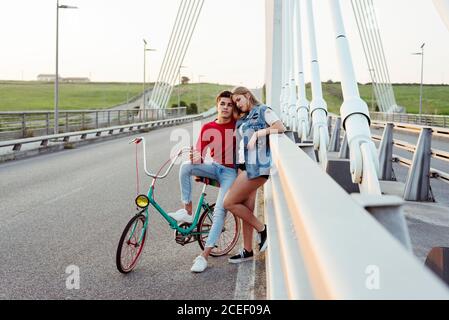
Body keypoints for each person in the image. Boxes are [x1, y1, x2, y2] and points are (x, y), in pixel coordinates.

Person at [168, 90, 237, 273]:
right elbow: (199, 154)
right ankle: (188, 211)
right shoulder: (207, 127)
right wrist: (194, 157)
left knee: (219, 211)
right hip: (213, 166)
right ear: (217, 105)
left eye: (229, 105)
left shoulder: (238, 124)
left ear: (233, 108)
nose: (225, 107)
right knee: (185, 167)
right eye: (222, 104)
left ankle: (203, 257)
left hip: (230, 172)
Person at [224, 86, 285, 263]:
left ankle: (263, 230)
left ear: (248, 95)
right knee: (245, 209)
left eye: (238, 100)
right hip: (245, 167)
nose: (237, 104)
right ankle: (248, 250)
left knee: (229, 202)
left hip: (258, 167)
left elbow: (280, 127)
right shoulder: (244, 118)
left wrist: (258, 133)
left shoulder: (263, 111)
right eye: (235, 102)